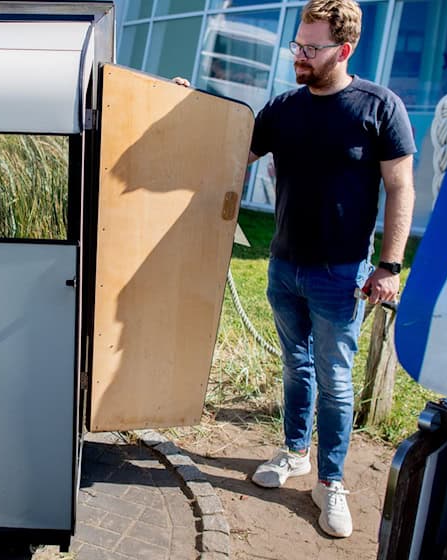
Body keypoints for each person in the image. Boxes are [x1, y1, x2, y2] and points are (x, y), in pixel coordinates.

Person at [175, 0, 415, 538]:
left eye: (311, 48)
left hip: (341, 273)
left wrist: (390, 265)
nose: (299, 56)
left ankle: (331, 482)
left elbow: (401, 188)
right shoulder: (283, 108)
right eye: (297, 45)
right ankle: (294, 453)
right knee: (296, 367)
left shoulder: (379, 107)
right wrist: (187, 109)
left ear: (343, 50)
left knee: (334, 378)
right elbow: (233, 154)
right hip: (283, 266)